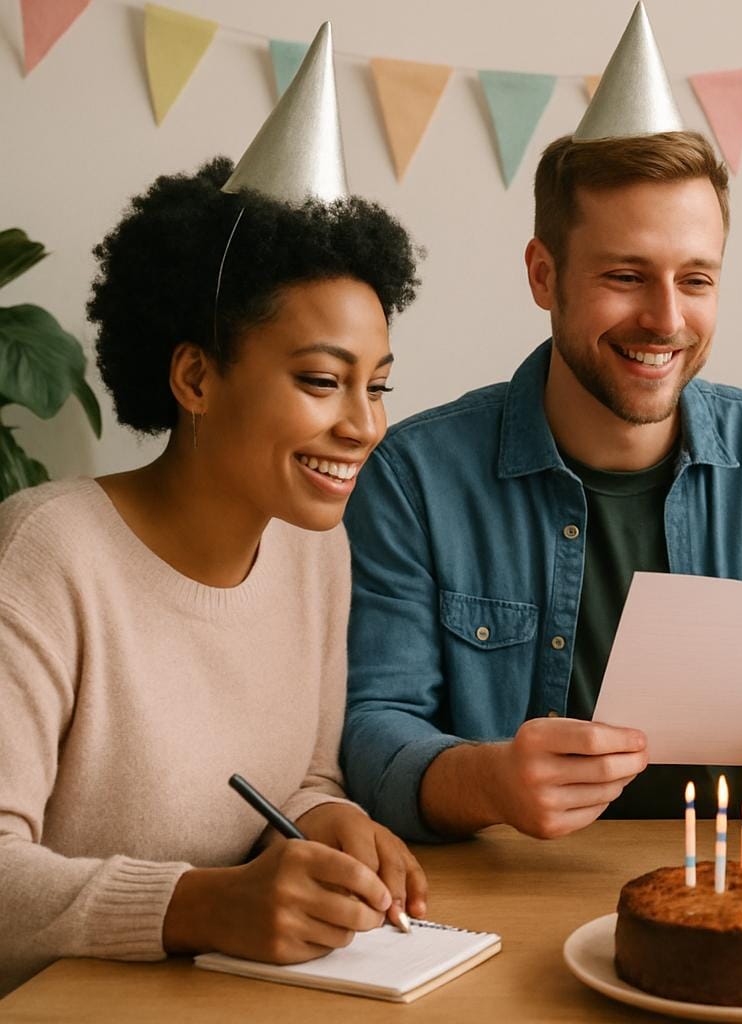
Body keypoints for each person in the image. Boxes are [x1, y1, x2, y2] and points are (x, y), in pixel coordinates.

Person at [341, 6, 742, 843]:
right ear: (545, 274)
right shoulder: (415, 476)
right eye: (625, 275)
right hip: (512, 898)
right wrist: (489, 781)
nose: (665, 318)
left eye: (696, 279)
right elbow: (372, 729)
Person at [0, 29, 426, 995]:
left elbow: (301, 781)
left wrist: (330, 821)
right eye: (323, 381)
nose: (364, 426)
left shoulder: (316, 553)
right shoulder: (44, 555)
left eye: (380, 386)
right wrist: (200, 904)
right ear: (195, 375)